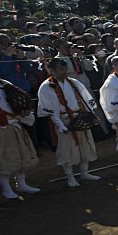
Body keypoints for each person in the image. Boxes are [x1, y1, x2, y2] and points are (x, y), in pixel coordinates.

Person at [0, 55, 39, 198]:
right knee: (3, 160)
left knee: (21, 155)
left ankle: (21, 183)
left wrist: (23, 111)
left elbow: (17, 100)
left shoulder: (2, 83)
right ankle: (6, 188)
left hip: (13, 123)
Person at [36, 57, 99, 187]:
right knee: (67, 151)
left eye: (65, 69)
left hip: (80, 118)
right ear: (52, 71)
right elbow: (51, 110)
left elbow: (86, 99)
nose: (64, 72)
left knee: (85, 147)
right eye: (60, 69)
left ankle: (84, 172)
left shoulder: (73, 82)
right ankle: (70, 177)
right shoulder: (47, 86)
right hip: (64, 121)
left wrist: (92, 115)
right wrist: (60, 125)